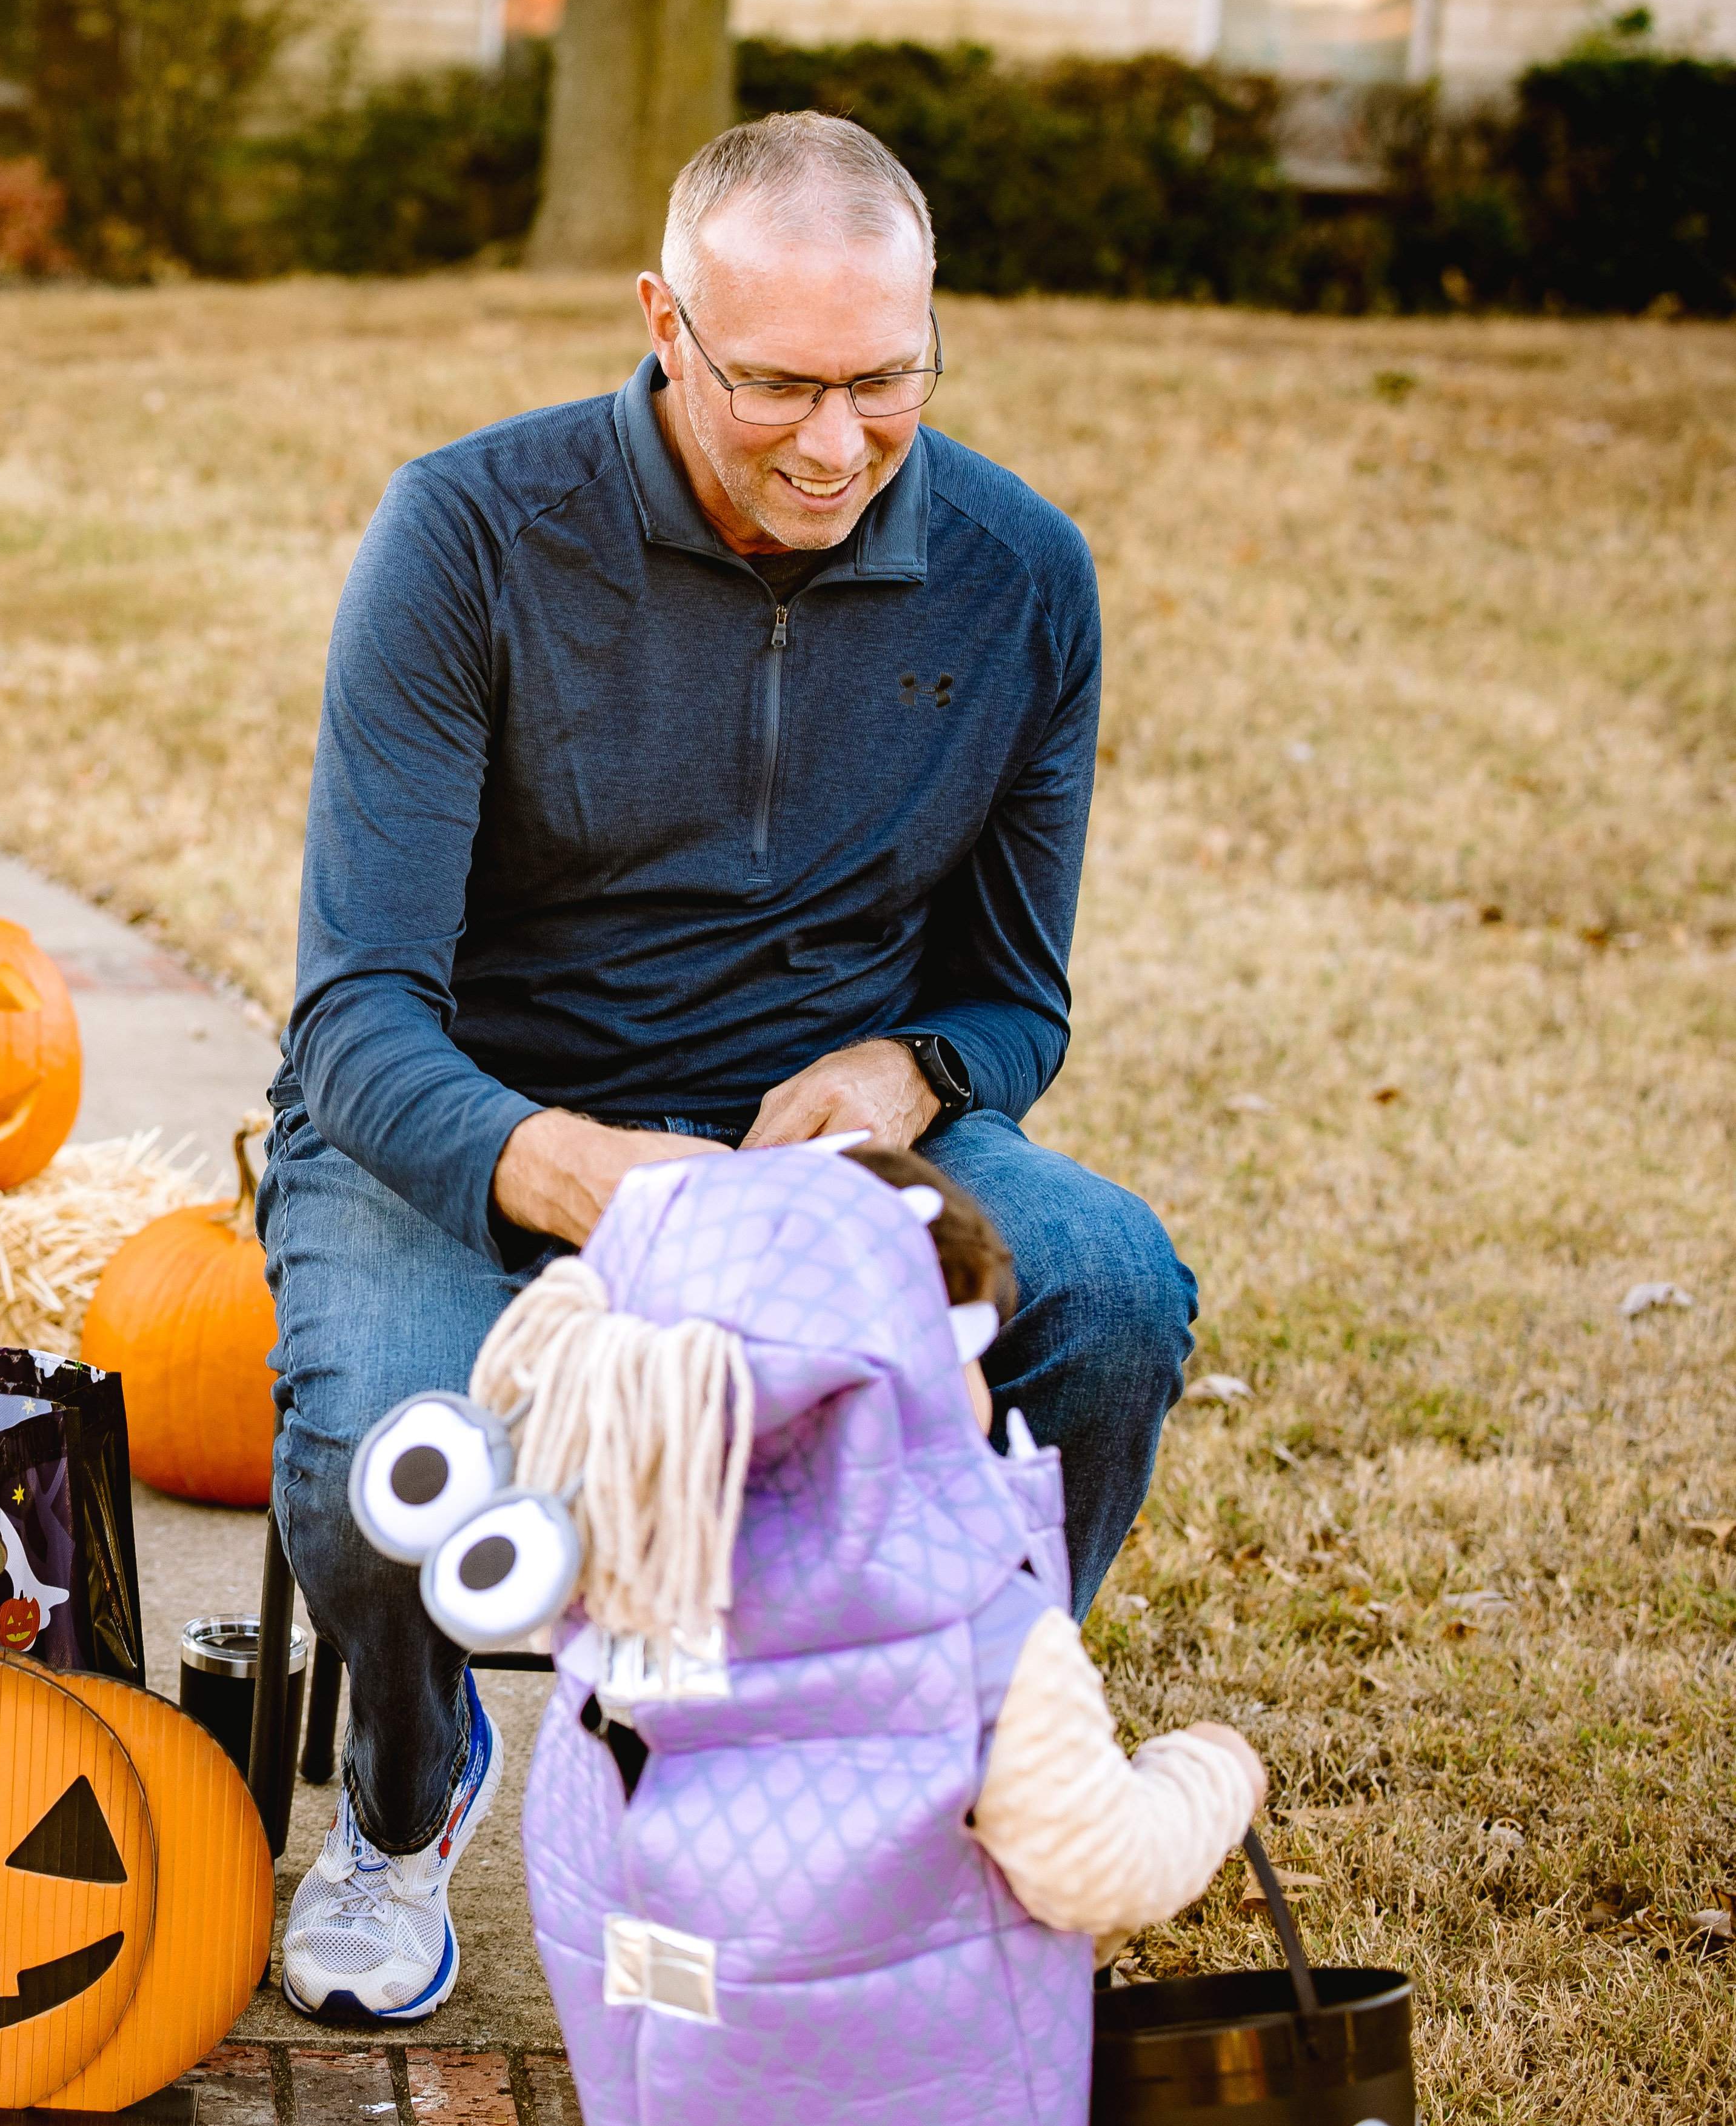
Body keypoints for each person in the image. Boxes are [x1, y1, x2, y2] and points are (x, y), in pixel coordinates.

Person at [258, 111, 1197, 2026]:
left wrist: (906, 1076)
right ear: (663, 324)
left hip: (811, 1150)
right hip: (477, 1116)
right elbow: (354, 1014)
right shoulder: (471, 536)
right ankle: (405, 1792)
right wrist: (582, 1173)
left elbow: (1016, 1004)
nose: (836, 446)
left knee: (1110, 1290)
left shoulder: (1023, 576)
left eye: (886, 384)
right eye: (778, 385)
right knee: (378, 1463)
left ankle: (938, 1782)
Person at [449, 1140, 1262, 2126]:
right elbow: (1095, 1870)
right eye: (970, 1354)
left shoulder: (621, 1614)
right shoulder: (978, 1636)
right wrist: (1207, 1774)